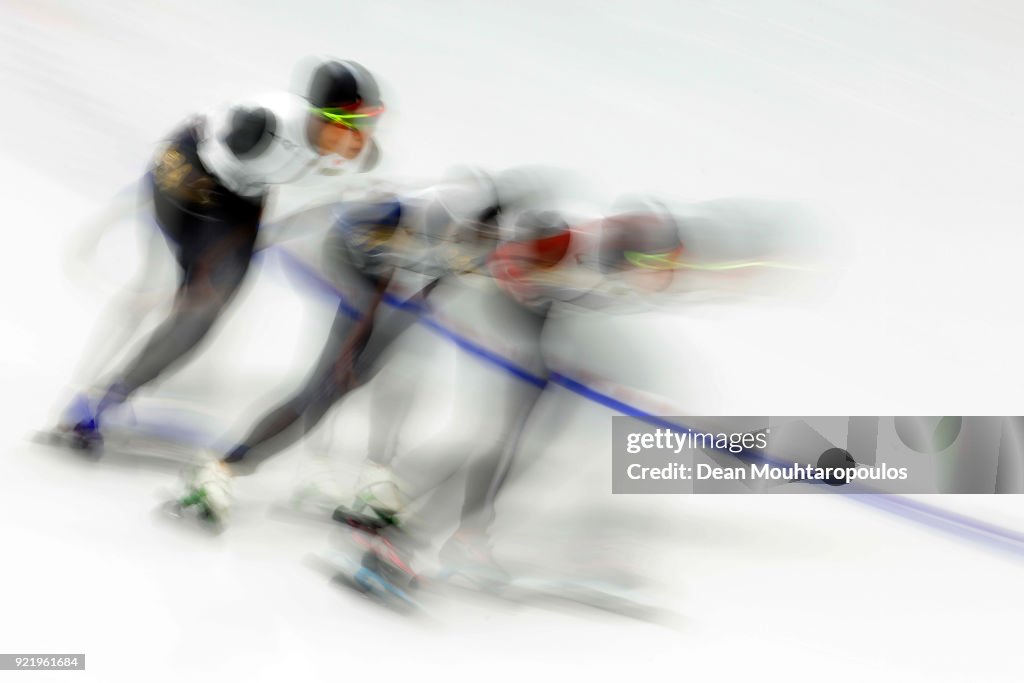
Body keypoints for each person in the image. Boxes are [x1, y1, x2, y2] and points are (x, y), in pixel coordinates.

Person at [56, 58, 385, 451]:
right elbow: (197, 145)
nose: (358, 138)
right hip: (189, 175)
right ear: (318, 118)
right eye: (348, 125)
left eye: (367, 124)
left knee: (206, 313)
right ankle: (89, 400)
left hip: (241, 198)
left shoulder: (358, 152)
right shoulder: (263, 125)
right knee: (174, 295)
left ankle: (115, 393)